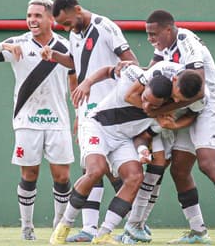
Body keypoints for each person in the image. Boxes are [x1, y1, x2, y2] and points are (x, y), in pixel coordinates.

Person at [50, 63, 203, 245]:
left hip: (122, 140)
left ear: (163, 103)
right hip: (96, 126)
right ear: (145, 86)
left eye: (153, 105)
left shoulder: (163, 116)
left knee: (135, 177)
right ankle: (63, 225)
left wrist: (142, 150)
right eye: (144, 98)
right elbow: (108, 70)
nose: (145, 105)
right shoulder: (132, 75)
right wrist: (88, 82)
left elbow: (143, 137)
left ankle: (103, 234)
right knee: (96, 170)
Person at [145, 10, 215, 244]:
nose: (150, 38)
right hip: (189, 110)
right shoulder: (163, 46)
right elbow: (150, 73)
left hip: (210, 106)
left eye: (154, 33)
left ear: (169, 29)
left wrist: (157, 111)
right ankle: (198, 231)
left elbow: (198, 92)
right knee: (179, 169)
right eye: (148, 34)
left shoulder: (187, 42)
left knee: (207, 162)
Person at [0, 0, 76, 241]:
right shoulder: (16, 43)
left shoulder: (65, 46)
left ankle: (58, 226)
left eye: (38, 15)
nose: (32, 20)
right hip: (26, 121)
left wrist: (80, 115)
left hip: (58, 121)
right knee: (29, 174)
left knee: (62, 176)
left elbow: (75, 80)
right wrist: (1, 47)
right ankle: (27, 227)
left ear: (51, 19)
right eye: (29, 15)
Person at [42, 0, 139, 243]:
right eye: (62, 26)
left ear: (77, 9)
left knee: (124, 174)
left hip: (115, 113)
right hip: (89, 114)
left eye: (67, 23)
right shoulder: (75, 34)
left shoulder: (105, 27)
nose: (66, 29)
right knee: (93, 169)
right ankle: (88, 229)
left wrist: (115, 77)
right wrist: (53, 55)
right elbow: (76, 65)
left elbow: (131, 62)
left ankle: (130, 226)